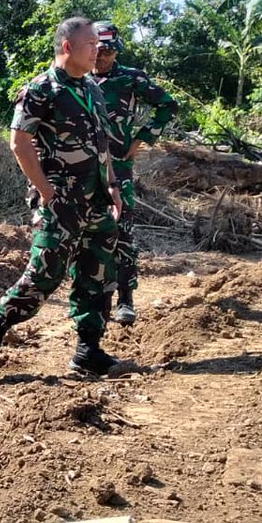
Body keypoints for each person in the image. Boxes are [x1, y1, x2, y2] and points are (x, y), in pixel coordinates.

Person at [0, 17, 123, 377]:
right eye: (90, 44)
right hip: (61, 203)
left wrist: (114, 186)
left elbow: (102, 145)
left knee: (98, 275)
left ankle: (88, 350)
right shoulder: (41, 90)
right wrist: (46, 191)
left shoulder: (92, 89)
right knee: (44, 273)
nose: (97, 50)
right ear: (68, 47)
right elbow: (19, 142)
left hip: (97, 201)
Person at [91, 21, 177, 326]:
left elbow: (167, 105)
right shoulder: (75, 79)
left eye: (108, 52)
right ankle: (97, 301)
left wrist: (143, 137)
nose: (101, 57)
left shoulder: (130, 78)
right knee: (90, 237)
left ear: (116, 51)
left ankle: (125, 299)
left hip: (120, 166)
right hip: (85, 170)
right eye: (97, 51)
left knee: (122, 231)